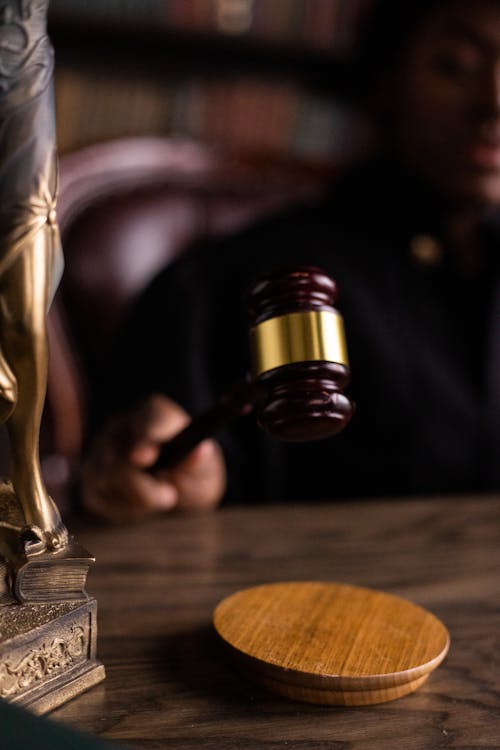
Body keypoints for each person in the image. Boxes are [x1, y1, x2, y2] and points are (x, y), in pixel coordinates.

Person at [82, 0, 500, 522]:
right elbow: (149, 486)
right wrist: (165, 481)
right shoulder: (226, 283)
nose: (494, 102)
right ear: (389, 77)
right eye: (456, 65)